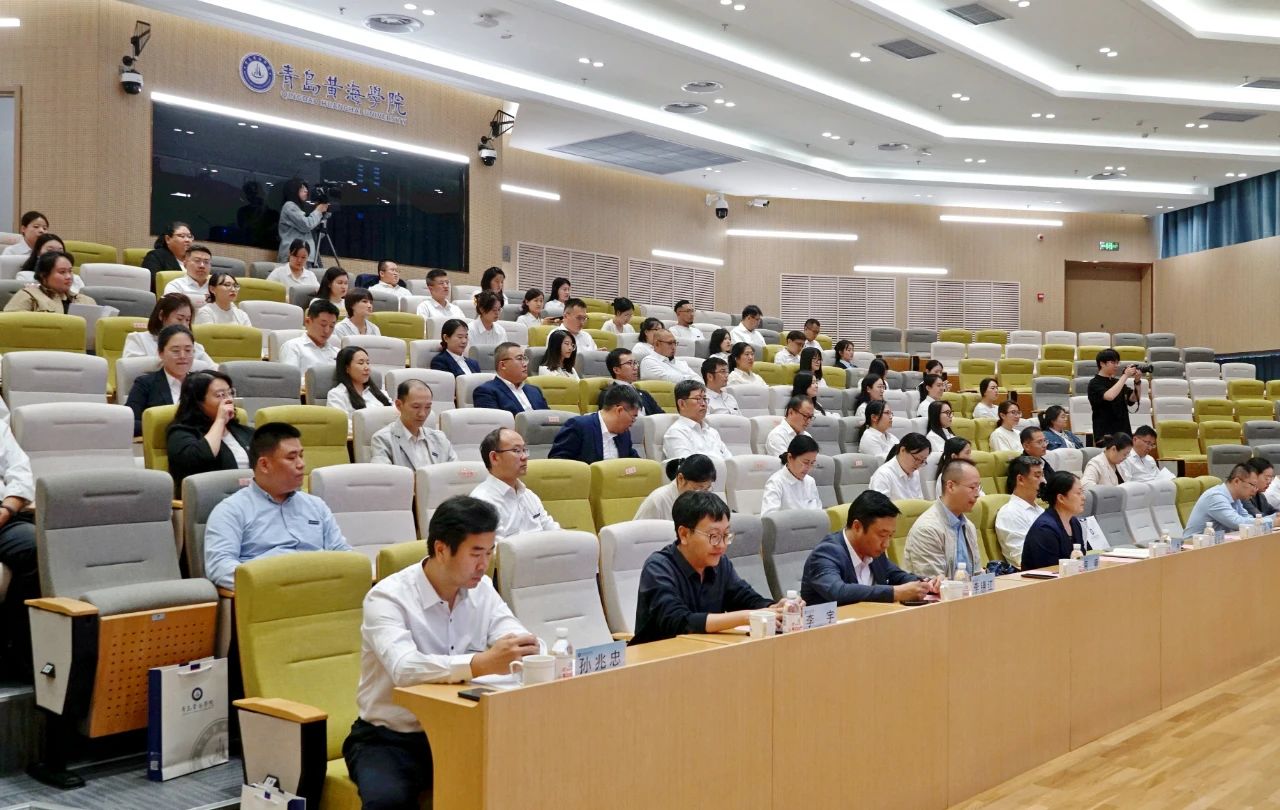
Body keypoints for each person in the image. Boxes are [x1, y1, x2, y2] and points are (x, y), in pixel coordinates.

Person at [345, 495, 536, 810]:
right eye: (475, 553)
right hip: (390, 738)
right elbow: (405, 668)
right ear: (441, 549)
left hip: (462, 730)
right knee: (388, 801)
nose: (484, 564)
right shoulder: (387, 598)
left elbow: (516, 638)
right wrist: (479, 663)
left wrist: (525, 650)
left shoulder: (482, 590)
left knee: (526, 773)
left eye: (489, 553)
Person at [204, 423, 352, 590]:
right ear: (264, 465)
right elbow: (220, 567)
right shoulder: (231, 510)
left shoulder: (316, 505)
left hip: (323, 589)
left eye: (301, 456)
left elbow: (342, 551)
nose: (301, 464)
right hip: (271, 595)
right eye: (291, 458)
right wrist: (275, 584)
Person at [631, 491, 783, 645]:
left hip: (705, 650)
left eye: (726, 535)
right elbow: (679, 622)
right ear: (684, 534)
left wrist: (775, 608)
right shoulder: (658, 567)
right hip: (661, 654)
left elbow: (745, 598)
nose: (722, 545)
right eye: (714, 536)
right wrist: (746, 617)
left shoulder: (720, 563)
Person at [800, 491, 941, 606]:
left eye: (890, 536)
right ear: (857, 527)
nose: (886, 544)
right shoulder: (826, 553)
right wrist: (895, 592)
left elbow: (899, 576)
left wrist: (928, 584)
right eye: (882, 535)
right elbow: (838, 591)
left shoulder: (874, 552)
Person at [166, 370, 255, 493]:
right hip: (210, 498)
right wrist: (220, 420)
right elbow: (202, 457)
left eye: (230, 393)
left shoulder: (245, 432)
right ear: (198, 402)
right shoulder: (180, 433)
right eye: (220, 395)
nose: (229, 400)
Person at [0, 420, 39, 682]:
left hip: (5, 516)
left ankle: (18, 650)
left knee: (39, 547)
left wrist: (7, 509)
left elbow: (20, 470)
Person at [470, 428, 561, 538]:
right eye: (517, 451)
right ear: (494, 458)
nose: (525, 457)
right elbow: (494, 548)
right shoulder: (482, 502)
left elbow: (554, 532)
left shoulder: (529, 495)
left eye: (524, 450)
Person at [903, 458, 983, 578]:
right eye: (972, 487)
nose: (977, 494)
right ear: (950, 486)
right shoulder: (927, 530)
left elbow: (976, 574)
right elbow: (933, 583)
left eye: (978, 488)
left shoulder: (968, 526)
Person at [370, 379, 457, 469]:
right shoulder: (383, 439)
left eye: (427, 407)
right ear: (399, 405)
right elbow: (383, 475)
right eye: (416, 407)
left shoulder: (439, 438)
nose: (422, 414)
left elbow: (456, 471)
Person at [126, 324, 195, 436]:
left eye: (188, 350)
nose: (183, 356)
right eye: (176, 351)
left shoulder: (203, 383)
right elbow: (129, 422)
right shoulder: (145, 384)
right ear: (161, 353)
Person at [548, 384, 641, 463]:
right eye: (633, 417)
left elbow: (635, 463)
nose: (632, 424)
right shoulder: (579, 427)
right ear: (619, 410)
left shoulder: (624, 434)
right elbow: (558, 463)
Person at [123, 293, 215, 368]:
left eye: (187, 320)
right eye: (179, 319)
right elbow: (131, 372)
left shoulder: (194, 346)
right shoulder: (138, 339)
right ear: (161, 315)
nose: (184, 325)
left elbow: (214, 369)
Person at [1021, 472, 1087, 570]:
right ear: (1061, 498)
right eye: (1078, 493)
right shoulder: (1045, 529)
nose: (1083, 497)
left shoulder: (1074, 522)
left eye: (1082, 492)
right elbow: (1049, 570)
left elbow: (1081, 559)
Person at [1182, 463, 1258, 539]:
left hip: (1217, 542)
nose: (1255, 490)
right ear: (1236, 481)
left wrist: (1260, 521)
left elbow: (1247, 518)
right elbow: (1237, 523)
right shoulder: (1215, 496)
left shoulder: (1236, 499)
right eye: (1252, 485)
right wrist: (1264, 521)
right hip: (1194, 544)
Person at [4, 251, 95, 314]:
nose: (69, 276)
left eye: (70, 271)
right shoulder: (28, 295)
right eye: (62, 272)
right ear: (44, 276)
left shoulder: (86, 301)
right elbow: (11, 326)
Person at [995, 455, 1045, 568]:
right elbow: (1023, 559)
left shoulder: (1041, 511)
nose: (1043, 481)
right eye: (1037, 476)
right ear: (1020, 479)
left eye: (1043, 475)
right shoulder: (1010, 513)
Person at [472, 343, 549, 415]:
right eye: (519, 359)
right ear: (503, 365)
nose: (525, 364)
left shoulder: (535, 390)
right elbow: (494, 422)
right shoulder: (486, 392)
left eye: (525, 359)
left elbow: (548, 417)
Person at [662, 380, 732, 460]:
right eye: (698, 398)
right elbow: (686, 466)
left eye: (704, 398)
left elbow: (730, 461)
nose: (703, 404)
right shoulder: (676, 433)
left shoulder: (712, 432)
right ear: (682, 404)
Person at [634, 454, 717, 521]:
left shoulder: (703, 500)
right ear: (681, 479)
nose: (702, 495)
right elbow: (639, 534)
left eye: (707, 489)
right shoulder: (658, 500)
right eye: (697, 489)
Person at [1088, 348, 1139, 447]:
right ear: (1102, 363)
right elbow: (1109, 396)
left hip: (1124, 432)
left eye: (1117, 362)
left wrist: (1137, 381)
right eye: (1113, 362)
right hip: (1106, 435)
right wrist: (1125, 376)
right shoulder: (1094, 383)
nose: (1116, 365)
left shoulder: (1117, 382)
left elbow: (1133, 398)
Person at [280, 299, 340, 381]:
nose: (327, 330)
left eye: (331, 326)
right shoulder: (293, 347)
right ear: (307, 322)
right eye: (323, 324)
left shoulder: (337, 352)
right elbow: (290, 380)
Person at [761, 434, 823, 515]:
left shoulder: (810, 481)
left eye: (812, 463)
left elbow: (819, 512)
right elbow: (768, 518)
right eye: (805, 462)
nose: (808, 468)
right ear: (790, 458)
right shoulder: (776, 482)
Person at [327, 346, 392, 417]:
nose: (367, 368)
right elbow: (342, 422)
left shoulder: (381, 393)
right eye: (361, 363)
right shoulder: (337, 395)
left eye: (367, 363)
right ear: (347, 368)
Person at [276, 179, 327, 263]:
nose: (306, 190)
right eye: (302, 188)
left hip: (303, 255)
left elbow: (315, 232)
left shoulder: (299, 209)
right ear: (293, 190)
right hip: (293, 255)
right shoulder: (289, 206)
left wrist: (321, 213)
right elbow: (307, 225)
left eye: (306, 188)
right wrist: (318, 211)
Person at [14, 233, 83, 294]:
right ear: (38, 253)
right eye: (50, 251)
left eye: (60, 251)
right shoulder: (25, 277)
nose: (56, 255)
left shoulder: (76, 279)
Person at [600, 348, 663, 414]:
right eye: (629, 363)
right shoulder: (609, 394)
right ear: (616, 370)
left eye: (635, 363)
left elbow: (661, 416)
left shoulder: (644, 394)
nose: (635, 367)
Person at [868, 433, 930, 500]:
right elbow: (880, 506)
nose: (918, 465)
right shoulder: (883, 475)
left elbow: (920, 501)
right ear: (902, 450)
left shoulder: (915, 472)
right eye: (916, 459)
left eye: (923, 461)